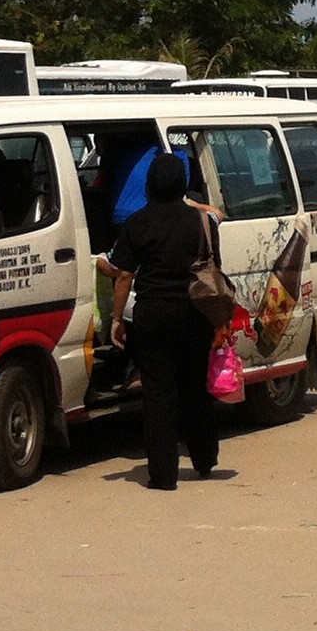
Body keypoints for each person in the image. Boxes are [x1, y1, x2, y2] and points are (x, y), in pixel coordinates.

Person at [107, 153, 222, 489]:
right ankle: (204, 458)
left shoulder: (137, 223)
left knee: (158, 394)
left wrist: (116, 318)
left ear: (150, 183)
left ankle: (163, 474)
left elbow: (124, 274)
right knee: (194, 387)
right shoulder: (200, 223)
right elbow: (214, 266)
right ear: (182, 183)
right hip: (195, 312)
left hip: (153, 314)